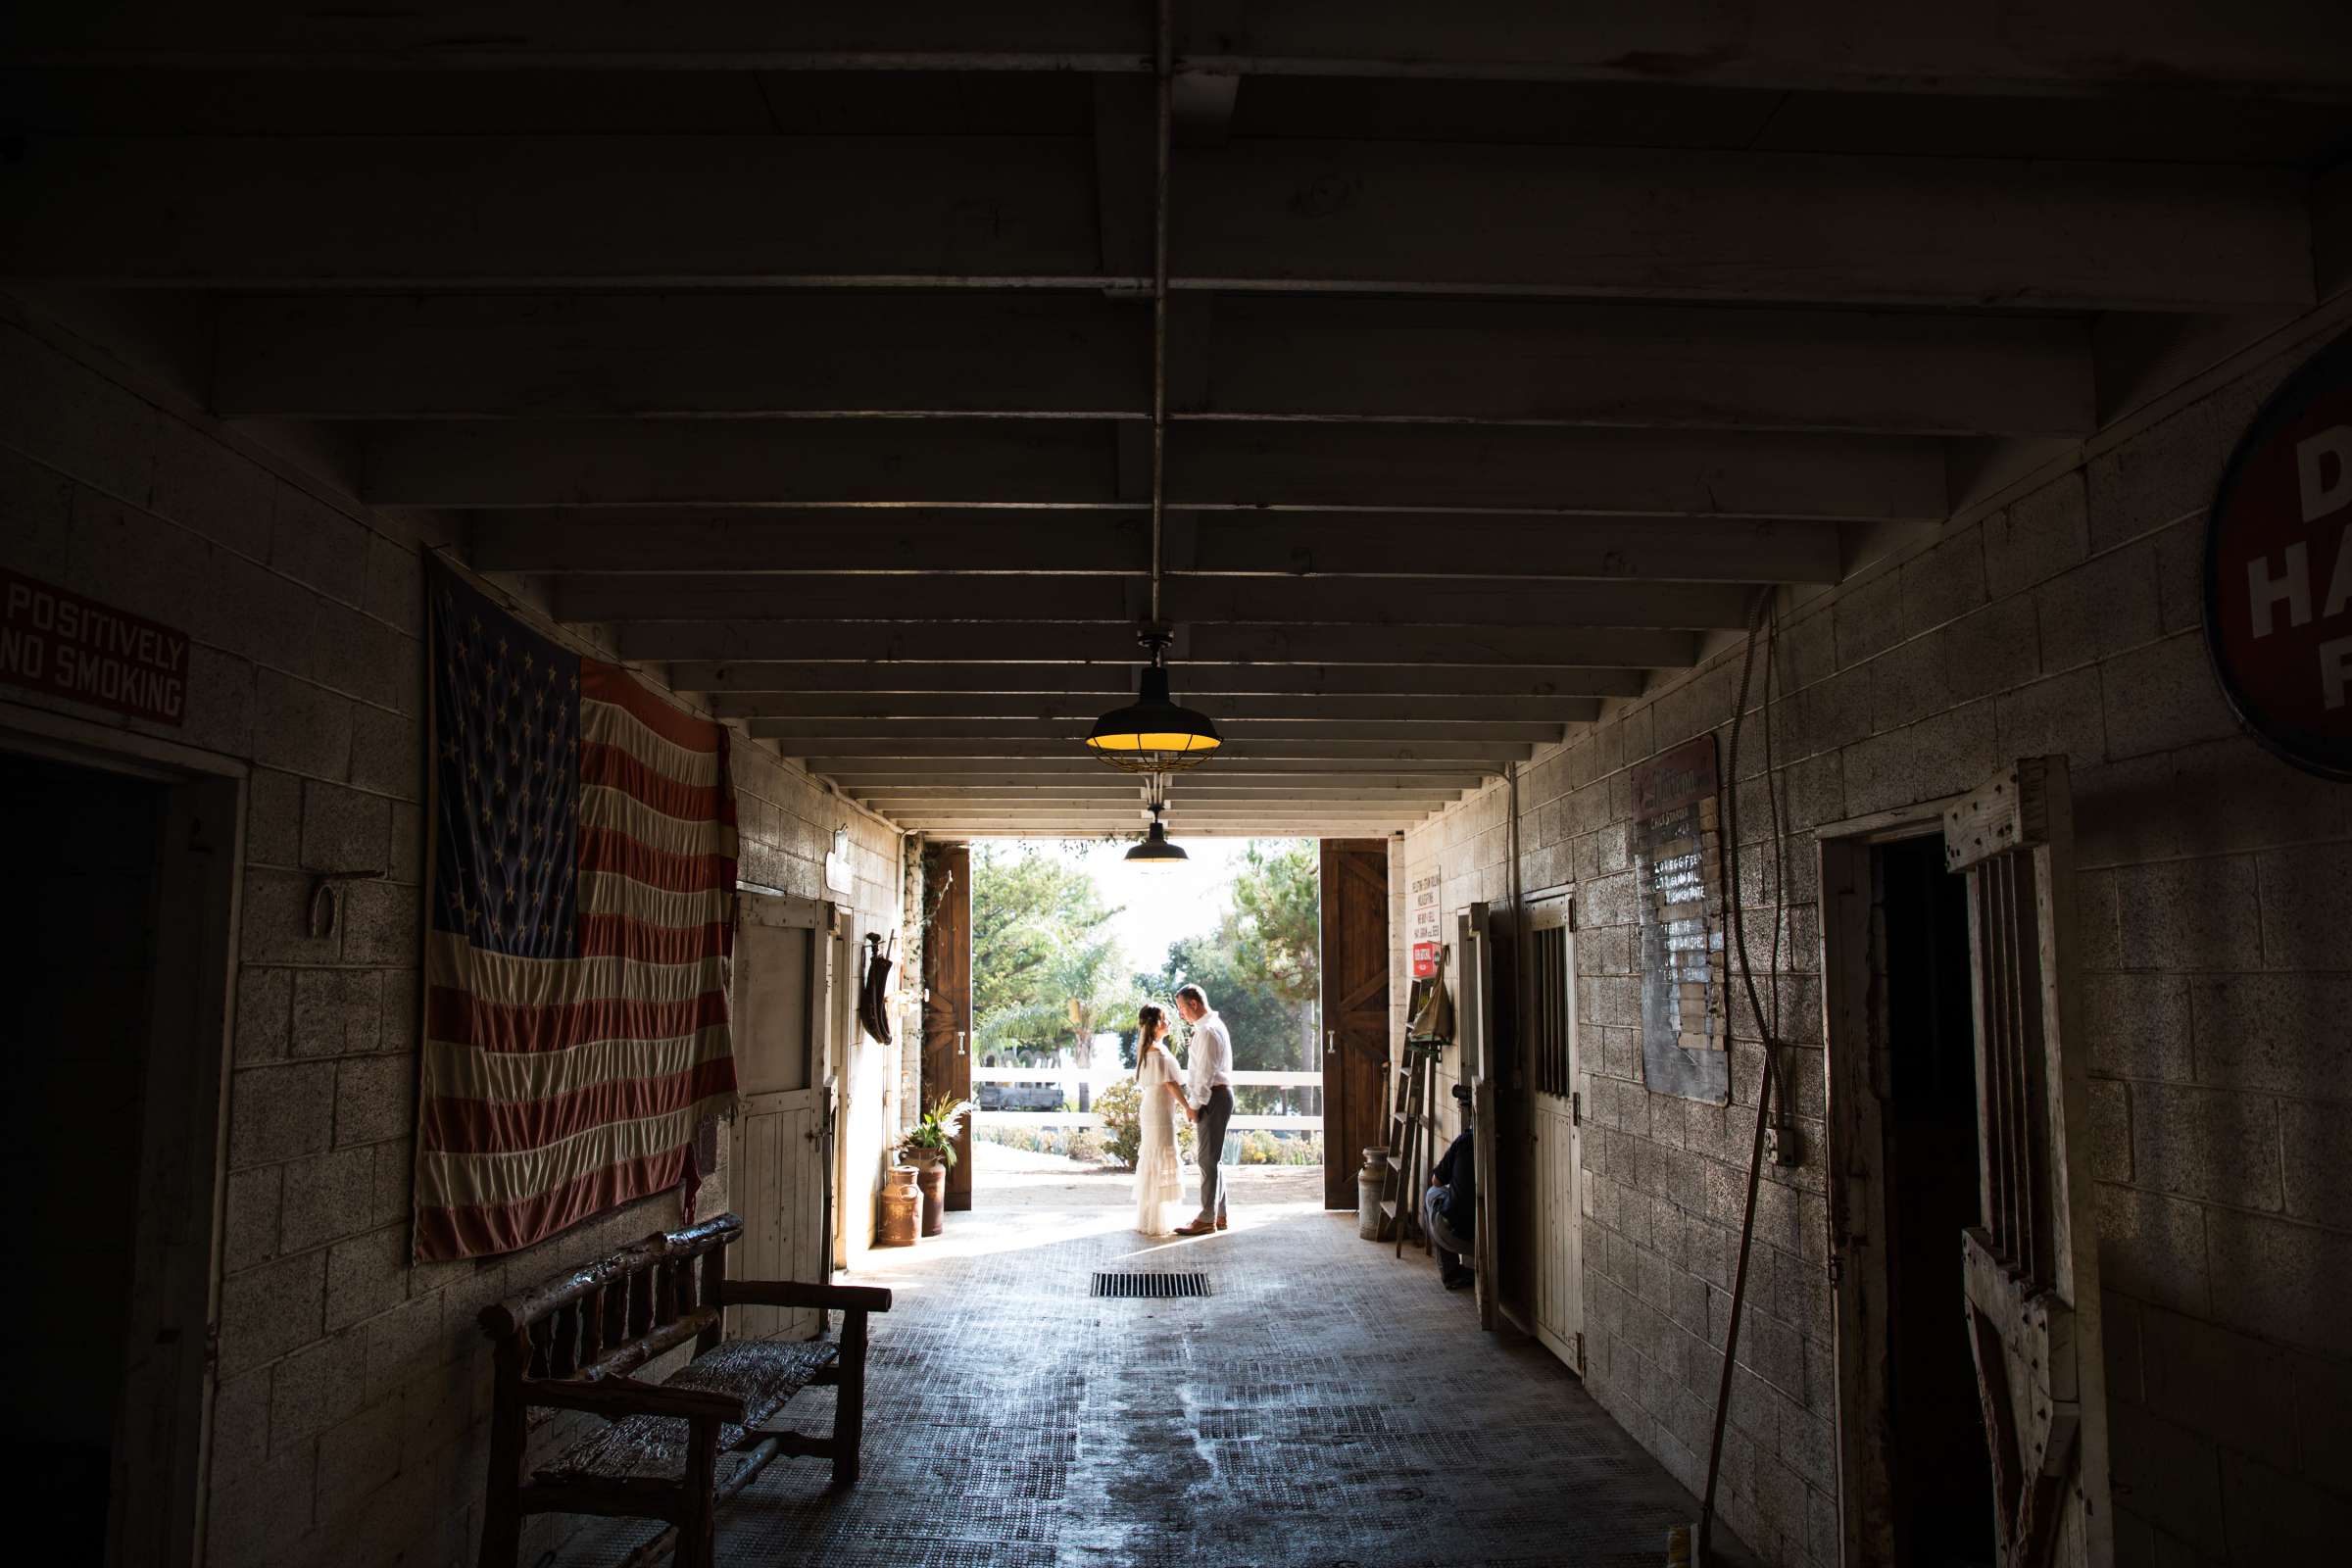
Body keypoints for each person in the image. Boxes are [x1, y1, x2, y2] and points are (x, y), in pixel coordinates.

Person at [1170, 983, 1234, 1236]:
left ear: (1193, 1004)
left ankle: (1207, 1218)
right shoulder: (1209, 1027)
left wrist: (1193, 1106)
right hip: (1217, 1096)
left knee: (1207, 1160)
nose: (1181, 1014)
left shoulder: (1207, 1031)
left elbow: (1204, 1075)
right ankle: (1220, 1214)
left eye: (1182, 1008)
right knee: (1212, 1160)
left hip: (1213, 1098)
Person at [1131, 1004, 1187, 1237]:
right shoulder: (1156, 1051)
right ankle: (1156, 1218)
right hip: (1158, 1111)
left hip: (1158, 1107)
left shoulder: (1154, 1049)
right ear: (1154, 1024)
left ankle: (1153, 1215)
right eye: (1164, 1020)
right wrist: (1188, 1107)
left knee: (1158, 1156)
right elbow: (1169, 1083)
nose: (1169, 1023)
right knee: (1159, 1155)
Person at [1423, 1083, 1477, 1290]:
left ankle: (1451, 1272)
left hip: (1455, 1233)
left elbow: (1436, 1181)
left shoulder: (1464, 1142)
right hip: (1490, 1238)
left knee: (1432, 1195)